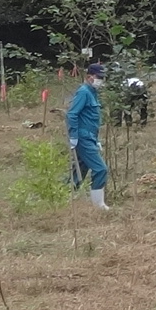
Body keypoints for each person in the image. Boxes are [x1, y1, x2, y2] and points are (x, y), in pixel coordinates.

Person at [66, 61, 110, 208]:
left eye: (102, 78)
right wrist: (73, 136)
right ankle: (99, 205)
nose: (101, 80)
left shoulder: (93, 92)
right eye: (98, 77)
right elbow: (72, 114)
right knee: (100, 169)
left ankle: (63, 196)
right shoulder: (83, 92)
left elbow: (91, 119)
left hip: (90, 137)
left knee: (80, 170)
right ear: (89, 76)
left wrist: (96, 140)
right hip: (83, 138)